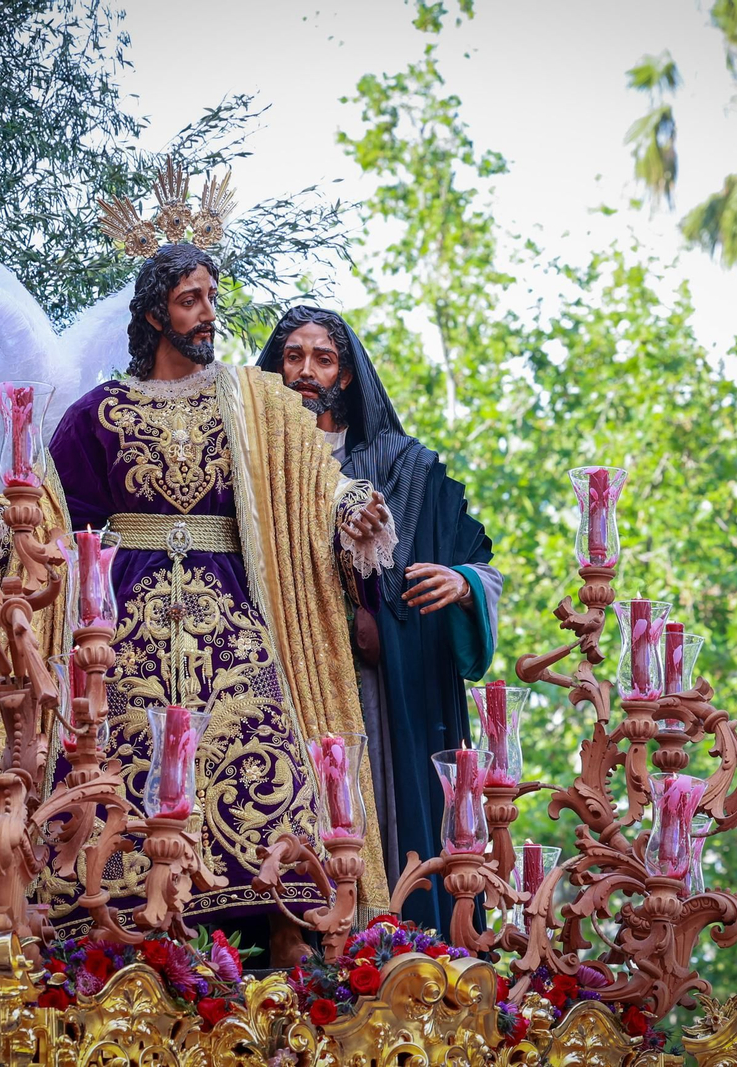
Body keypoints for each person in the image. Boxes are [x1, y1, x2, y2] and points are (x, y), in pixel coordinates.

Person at [0, 244, 397, 964]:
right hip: (126, 626)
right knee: (110, 769)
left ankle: (288, 934)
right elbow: (46, 507)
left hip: (234, 626)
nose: (207, 315)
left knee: (271, 761)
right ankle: (111, 940)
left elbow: (314, 477)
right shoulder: (98, 412)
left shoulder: (255, 404)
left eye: (212, 298)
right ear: (155, 311)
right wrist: (1, 526)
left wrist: (352, 512)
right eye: (191, 299)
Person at [257, 307, 501, 937]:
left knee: (380, 815)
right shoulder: (253, 469)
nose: (306, 371)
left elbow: (477, 566)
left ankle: (382, 941)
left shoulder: (404, 464)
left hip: (376, 688)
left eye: (323, 357)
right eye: (292, 356)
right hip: (280, 677)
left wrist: (464, 584)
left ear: (349, 372)